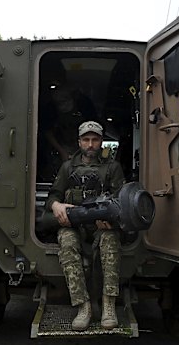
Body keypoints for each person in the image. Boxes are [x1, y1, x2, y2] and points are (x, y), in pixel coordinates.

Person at [45, 121, 125, 331]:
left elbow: (121, 200)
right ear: (79, 142)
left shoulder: (112, 168)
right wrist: (57, 206)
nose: (90, 144)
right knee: (67, 242)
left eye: (95, 139)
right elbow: (53, 195)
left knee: (110, 241)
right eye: (86, 140)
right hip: (73, 225)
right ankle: (83, 307)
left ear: (101, 142)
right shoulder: (68, 167)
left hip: (100, 227)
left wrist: (108, 217)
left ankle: (108, 306)